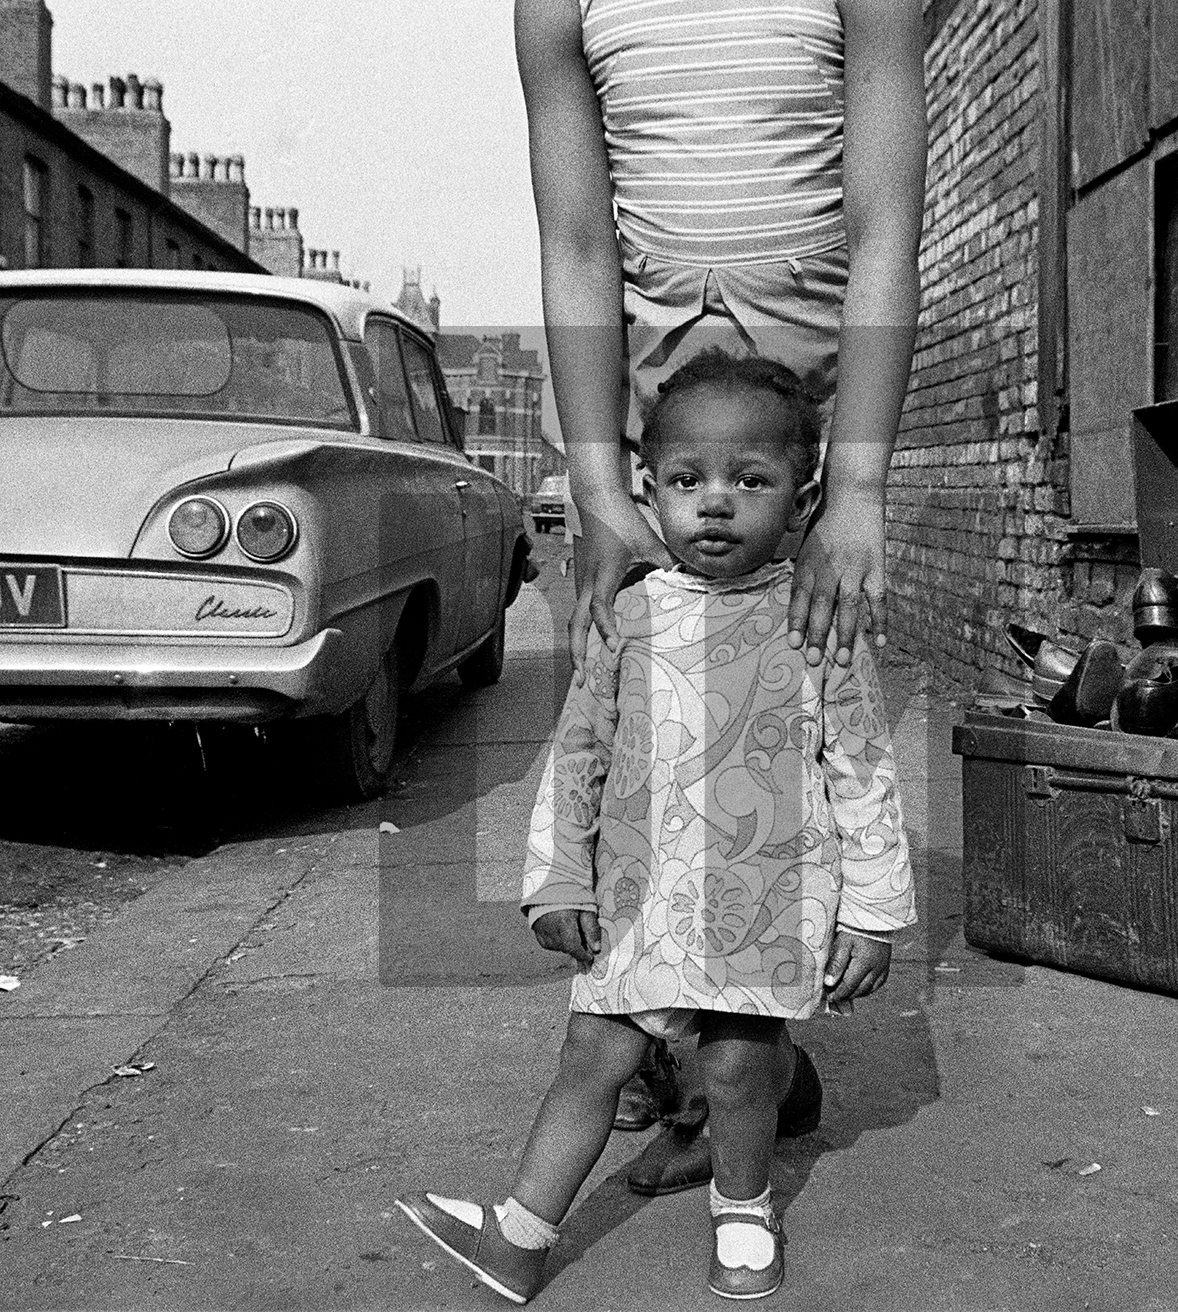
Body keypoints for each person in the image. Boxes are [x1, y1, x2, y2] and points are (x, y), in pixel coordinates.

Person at [396, 352, 917, 1304]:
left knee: (736, 1066)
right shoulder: (628, 617)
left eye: (750, 481)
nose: (715, 503)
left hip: (767, 897)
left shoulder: (817, 622)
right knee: (593, 1056)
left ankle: (745, 1217)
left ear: (803, 501)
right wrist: (557, 880)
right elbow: (578, 756)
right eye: (688, 481)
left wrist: (872, 914)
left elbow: (862, 771)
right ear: (650, 492)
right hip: (637, 898)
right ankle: (519, 1240)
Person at [512, 0, 926, 1187]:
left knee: (791, 730)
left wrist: (855, 489)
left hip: (798, 403)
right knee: (638, 727)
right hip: (652, 401)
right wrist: (598, 486)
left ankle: (738, 1061)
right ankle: (679, 1040)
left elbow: (884, 221)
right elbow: (579, 241)